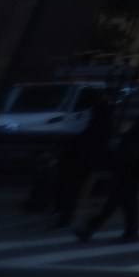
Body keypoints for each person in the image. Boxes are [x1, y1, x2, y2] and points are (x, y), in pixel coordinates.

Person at [73, 97, 139, 243]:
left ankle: (126, 231)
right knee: (118, 197)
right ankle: (92, 228)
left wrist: (126, 132)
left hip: (130, 163)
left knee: (126, 198)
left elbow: (132, 138)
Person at [52, 92, 113, 228]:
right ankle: (66, 217)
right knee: (74, 190)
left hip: (79, 162)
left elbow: (80, 144)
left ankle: (64, 216)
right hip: (89, 162)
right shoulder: (105, 127)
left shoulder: (94, 127)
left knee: (68, 188)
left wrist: (63, 157)